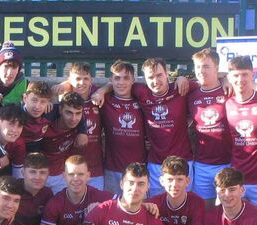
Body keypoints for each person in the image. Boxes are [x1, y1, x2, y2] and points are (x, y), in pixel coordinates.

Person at [92, 57, 192, 197]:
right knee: (118, 207)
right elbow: (84, 88)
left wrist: (181, 78)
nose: (155, 80)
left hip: (154, 166)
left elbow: (207, 86)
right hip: (121, 168)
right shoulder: (111, 98)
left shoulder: (175, 89)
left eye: (159, 75)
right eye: (150, 77)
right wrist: (101, 91)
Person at [224, 56, 257, 208]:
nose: (240, 79)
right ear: (229, 78)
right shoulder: (227, 103)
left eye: (244, 74)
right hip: (236, 178)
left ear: (253, 75)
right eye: (236, 75)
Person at [187, 48, 231, 204]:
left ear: (217, 68)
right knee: (204, 209)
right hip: (202, 165)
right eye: (198, 66)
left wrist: (227, 78)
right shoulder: (191, 95)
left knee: (227, 209)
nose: (201, 70)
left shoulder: (229, 90)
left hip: (228, 163)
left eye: (206, 66)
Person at [54, 62, 104, 190]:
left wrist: (102, 91)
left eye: (86, 78)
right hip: (69, 168)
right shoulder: (65, 98)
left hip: (95, 168)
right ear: (70, 80)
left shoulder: (97, 97)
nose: (81, 82)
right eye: (77, 79)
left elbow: (111, 85)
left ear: (91, 80)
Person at [100, 60, 146, 197]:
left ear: (133, 80)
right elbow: (79, 86)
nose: (121, 82)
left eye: (126, 78)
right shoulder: (105, 100)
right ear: (111, 80)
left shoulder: (142, 100)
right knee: (112, 206)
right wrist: (101, 91)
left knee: (138, 206)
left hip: (139, 169)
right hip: (112, 169)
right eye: (117, 78)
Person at [39, 92, 88, 192]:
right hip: (40, 175)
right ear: (60, 110)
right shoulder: (45, 125)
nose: (73, 119)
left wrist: (83, 132)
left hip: (62, 177)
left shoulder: (79, 129)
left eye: (78, 113)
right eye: (69, 113)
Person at [0, 41, 28, 108]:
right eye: (6, 67)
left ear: (18, 70)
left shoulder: (26, 86)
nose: (9, 73)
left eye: (14, 67)